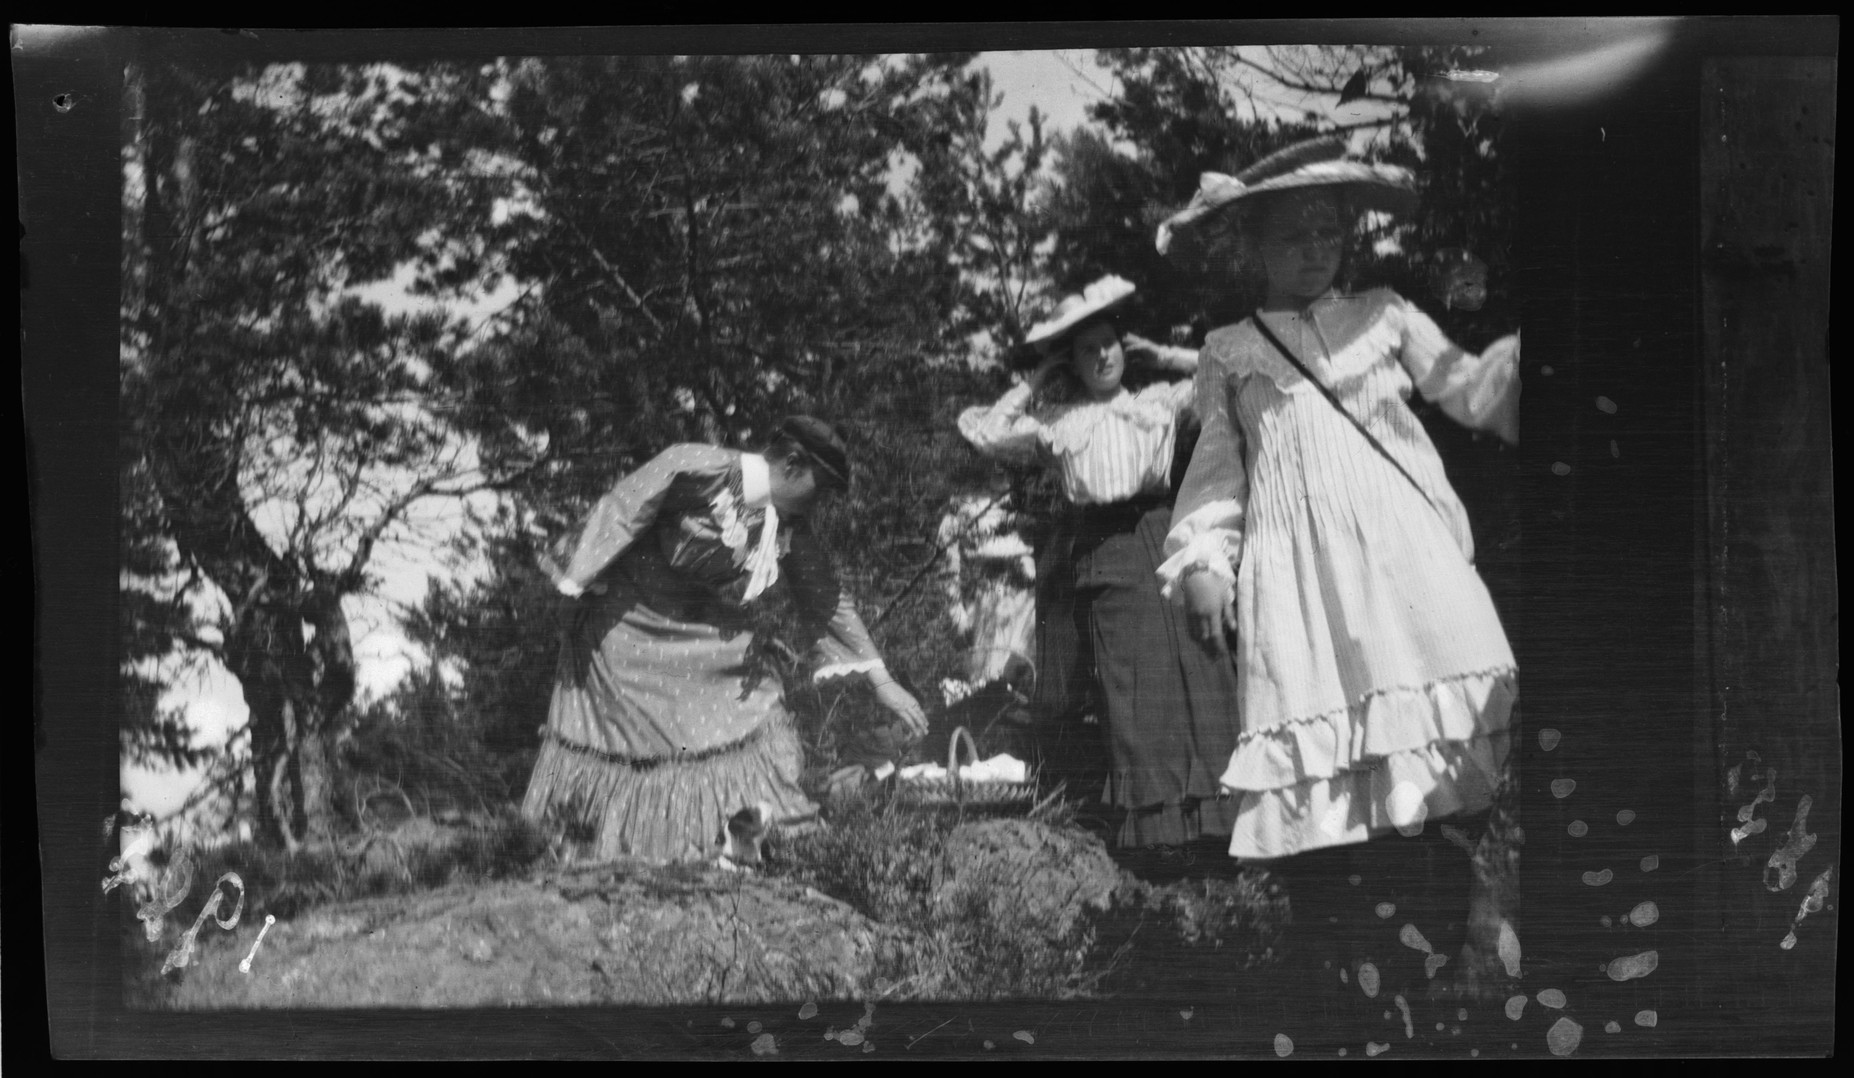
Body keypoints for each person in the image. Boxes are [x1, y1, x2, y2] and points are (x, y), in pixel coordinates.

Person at [1152, 136, 1519, 942]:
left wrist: (1530, 366)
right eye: (1292, 236)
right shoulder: (1231, 350)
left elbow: (1469, 388)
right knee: (1326, 767)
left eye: (1328, 232)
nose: (1314, 251)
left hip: (1401, 557)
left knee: (1434, 737)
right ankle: (1348, 955)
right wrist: (1208, 560)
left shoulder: (1384, 314)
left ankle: (1450, 931)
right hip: (1301, 580)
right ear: (1254, 247)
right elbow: (1217, 470)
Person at [522, 416, 929, 864]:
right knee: (629, 746)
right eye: (822, 487)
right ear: (792, 465)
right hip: (621, 625)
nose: (822, 503)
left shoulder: (787, 525)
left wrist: (881, 681)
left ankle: (754, 846)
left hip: (688, 631)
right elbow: (622, 507)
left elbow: (826, 599)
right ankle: (607, 853)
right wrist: (575, 580)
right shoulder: (700, 467)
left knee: (759, 695)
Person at [958, 276, 1244, 853]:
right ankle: (1161, 838)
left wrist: (1163, 353)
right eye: (1087, 350)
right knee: (1135, 686)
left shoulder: (1155, 404)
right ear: (1074, 362)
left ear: (1124, 347)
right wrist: (1039, 376)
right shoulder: (1062, 423)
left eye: (1109, 343)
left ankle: (1226, 825)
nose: (1103, 356)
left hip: (1166, 535)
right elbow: (986, 432)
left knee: (1200, 670)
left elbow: (1234, 369)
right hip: (1102, 550)